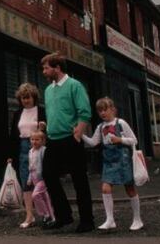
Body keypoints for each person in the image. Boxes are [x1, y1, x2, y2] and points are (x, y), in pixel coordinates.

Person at [40, 52, 95, 233]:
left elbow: (84, 111)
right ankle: (64, 216)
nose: (43, 71)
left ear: (57, 68)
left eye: (46, 68)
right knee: (48, 175)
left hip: (70, 139)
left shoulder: (74, 85)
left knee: (79, 179)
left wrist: (79, 132)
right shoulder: (48, 90)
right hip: (53, 140)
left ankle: (87, 220)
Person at [82, 97, 143, 231]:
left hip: (123, 160)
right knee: (105, 188)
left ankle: (137, 219)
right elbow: (93, 142)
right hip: (109, 161)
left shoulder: (121, 123)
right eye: (100, 111)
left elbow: (134, 140)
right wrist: (81, 134)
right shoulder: (100, 127)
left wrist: (119, 139)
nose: (102, 113)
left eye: (105, 109)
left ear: (113, 109)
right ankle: (110, 220)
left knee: (130, 189)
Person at [6, 82, 46, 228]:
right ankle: (29, 215)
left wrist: (43, 128)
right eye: (23, 98)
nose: (26, 100)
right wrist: (10, 155)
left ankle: (47, 213)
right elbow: (13, 134)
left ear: (34, 97)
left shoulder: (41, 111)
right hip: (22, 148)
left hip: (38, 147)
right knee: (25, 182)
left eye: (28, 97)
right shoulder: (18, 113)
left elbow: (46, 131)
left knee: (41, 181)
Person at [27, 130, 55, 225]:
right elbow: (31, 166)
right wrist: (29, 178)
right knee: (44, 197)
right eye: (32, 139)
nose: (34, 141)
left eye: (37, 139)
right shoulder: (30, 151)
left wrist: (45, 174)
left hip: (42, 177)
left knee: (35, 195)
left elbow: (44, 163)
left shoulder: (43, 150)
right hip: (34, 177)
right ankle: (51, 217)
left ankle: (45, 214)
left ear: (42, 140)